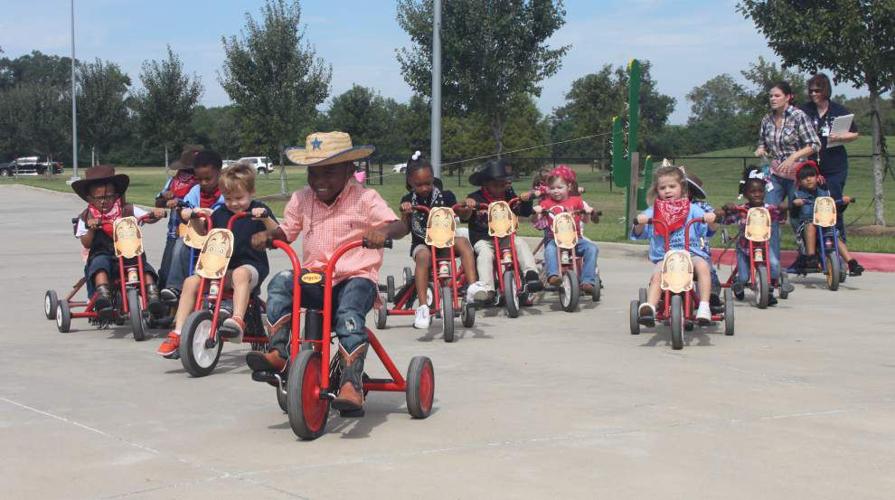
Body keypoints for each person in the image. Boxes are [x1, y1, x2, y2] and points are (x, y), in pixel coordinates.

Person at [245, 131, 406, 413]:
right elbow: (287, 231)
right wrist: (270, 236)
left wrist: (382, 233)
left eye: (329, 172)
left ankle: (351, 383)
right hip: (316, 279)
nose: (320, 181)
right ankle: (279, 353)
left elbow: (396, 225)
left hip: (354, 278)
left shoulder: (366, 198)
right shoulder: (301, 199)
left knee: (348, 317)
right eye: (313, 172)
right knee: (282, 281)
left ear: (349, 170)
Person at [157, 164, 278, 358]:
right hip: (220, 269)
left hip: (250, 267)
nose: (234, 204)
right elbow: (202, 231)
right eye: (229, 198)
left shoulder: (258, 210)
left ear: (251, 192)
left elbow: (276, 231)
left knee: (240, 273)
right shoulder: (220, 212)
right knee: (190, 282)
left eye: (239, 198)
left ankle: (237, 319)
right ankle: (178, 332)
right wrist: (194, 217)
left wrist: (264, 218)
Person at [399, 151, 486, 329]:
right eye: (419, 184)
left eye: (428, 183)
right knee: (423, 257)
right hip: (422, 242)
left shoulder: (446, 197)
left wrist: (466, 207)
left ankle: (471, 286)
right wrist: (405, 212)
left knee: (463, 242)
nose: (424, 188)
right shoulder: (408, 200)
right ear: (410, 182)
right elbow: (404, 228)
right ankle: (423, 307)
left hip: (445, 240)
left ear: (433, 179)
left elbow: (462, 214)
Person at [72, 165, 166, 316]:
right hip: (103, 253)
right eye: (100, 198)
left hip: (130, 253)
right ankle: (103, 296)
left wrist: (155, 214)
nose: (105, 201)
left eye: (109, 196)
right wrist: (91, 228)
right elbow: (86, 243)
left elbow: (146, 218)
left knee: (145, 269)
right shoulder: (86, 216)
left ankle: (153, 295)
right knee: (99, 265)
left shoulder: (127, 210)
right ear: (90, 198)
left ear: (115, 195)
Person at [631, 165, 716, 325]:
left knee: (703, 266)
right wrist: (640, 222)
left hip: (690, 254)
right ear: (657, 191)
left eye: (672, 186)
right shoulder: (653, 211)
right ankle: (650, 306)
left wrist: (711, 220)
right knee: (657, 275)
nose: (667, 191)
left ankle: (704, 305)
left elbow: (709, 229)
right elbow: (639, 230)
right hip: (665, 257)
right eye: (663, 188)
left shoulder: (692, 208)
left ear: (682, 188)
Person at [463, 159, 541, 302]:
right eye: (495, 185)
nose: (500, 188)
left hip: (505, 237)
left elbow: (523, 212)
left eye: (503, 184)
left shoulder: (509, 195)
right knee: (485, 255)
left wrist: (525, 200)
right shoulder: (475, 197)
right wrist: (468, 206)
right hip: (484, 239)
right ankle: (487, 289)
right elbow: (464, 216)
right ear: (485, 184)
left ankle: (531, 274)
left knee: (520, 243)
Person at [754, 81, 822, 232]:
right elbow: (762, 142)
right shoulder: (767, 120)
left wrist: (793, 157)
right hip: (775, 174)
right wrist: (760, 149)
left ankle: (806, 252)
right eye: (770, 96)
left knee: (798, 216)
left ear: (788, 97)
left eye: (777, 96)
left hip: (797, 174)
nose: (773, 99)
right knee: (768, 212)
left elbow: (814, 144)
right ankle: (772, 255)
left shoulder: (798, 116)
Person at [160, 150, 226, 303]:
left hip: (221, 240)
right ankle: (174, 286)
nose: (203, 183)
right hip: (198, 238)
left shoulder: (226, 191)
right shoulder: (195, 191)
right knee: (180, 243)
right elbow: (185, 208)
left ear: (219, 173)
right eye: (199, 179)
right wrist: (185, 211)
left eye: (208, 178)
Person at [801, 73, 859, 242]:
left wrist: (840, 137)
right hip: (811, 166)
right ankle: (811, 248)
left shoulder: (838, 111)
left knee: (833, 203)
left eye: (817, 91)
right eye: (811, 91)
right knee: (810, 205)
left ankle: (837, 242)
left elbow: (855, 133)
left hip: (835, 165)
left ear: (825, 90)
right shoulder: (805, 110)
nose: (813, 94)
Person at [719, 167, 787, 305]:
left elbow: (779, 218)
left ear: (765, 192)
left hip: (764, 246)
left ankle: (769, 290)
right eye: (753, 192)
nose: (757, 194)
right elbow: (725, 219)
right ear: (745, 194)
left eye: (760, 191)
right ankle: (738, 284)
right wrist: (727, 209)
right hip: (744, 249)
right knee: (744, 277)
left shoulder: (769, 209)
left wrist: (783, 209)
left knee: (774, 266)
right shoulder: (741, 210)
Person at [531, 165, 600, 293]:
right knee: (549, 249)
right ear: (548, 189)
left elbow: (585, 216)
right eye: (552, 188)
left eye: (559, 187)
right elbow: (536, 219)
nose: (556, 191)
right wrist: (537, 212)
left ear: (568, 187)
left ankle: (587, 281)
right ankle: (553, 275)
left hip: (575, 240)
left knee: (592, 248)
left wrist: (588, 212)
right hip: (555, 240)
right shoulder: (546, 203)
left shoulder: (576, 201)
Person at [791, 161, 863, 275]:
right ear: (799, 181)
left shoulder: (825, 192)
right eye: (804, 178)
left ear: (817, 177)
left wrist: (844, 202)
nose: (808, 179)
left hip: (825, 224)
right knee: (810, 226)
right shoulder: (798, 195)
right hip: (807, 227)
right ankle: (811, 257)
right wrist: (795, 204)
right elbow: (794, 215)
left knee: (835, 234)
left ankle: (851, 263)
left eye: (811, 176)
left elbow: (836, 209)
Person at [154, 146, 200, 288]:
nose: (186, 174)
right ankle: (164, 300)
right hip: (175, 232)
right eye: (185, 170)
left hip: (197, 232)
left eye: (190, 170)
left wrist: (179, 202)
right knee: (166, 270)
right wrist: (163, 196)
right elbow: (158, 203)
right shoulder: (173, 181)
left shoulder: (201, 183)